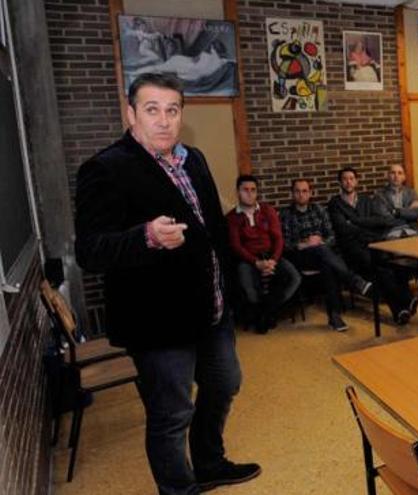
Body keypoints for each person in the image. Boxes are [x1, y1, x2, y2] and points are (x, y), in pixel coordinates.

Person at [74, 73, 260, 494]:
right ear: (131, 113)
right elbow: (90, 250)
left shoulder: (193, 158)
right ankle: (178, 489)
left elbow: (211, 229)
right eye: (152, 109)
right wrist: (145, 237)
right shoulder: (105, 169)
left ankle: (209, 463)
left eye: (172, 110)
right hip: (158, 324)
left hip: (211, 310)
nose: (163, 120)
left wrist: (230, 291)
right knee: (171, 413)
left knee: (224, 383)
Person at [280, 179, 373, 331]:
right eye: (297, 191)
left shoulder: (318, 209)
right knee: (324, 255)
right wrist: (304, 244)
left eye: (304, 191)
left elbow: (331, 236)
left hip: (322, 253)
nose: (301, 194)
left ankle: (334, 317)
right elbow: (285, 244)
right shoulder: (285, 214)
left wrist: (320, 241)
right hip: (300, 256)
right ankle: (354, 281)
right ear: (292, 194)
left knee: (327, 264)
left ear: (310, 193)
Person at [327, 167, 416, 325]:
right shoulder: (335, 204)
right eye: (345, 179)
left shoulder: (366, 200)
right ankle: (404, 303)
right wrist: (366, 225)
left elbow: (381, 221)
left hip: (372, 242)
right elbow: (342, 229)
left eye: (351, 178)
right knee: (379, 267)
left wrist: (354, 222)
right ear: (339, 182)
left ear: (357, 181)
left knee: (391, 263)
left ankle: (402, 308)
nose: (348, 182)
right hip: (351, 247)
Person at [227, 175, 301, 333]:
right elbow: (236, 246)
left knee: (294, 277)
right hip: (248, 258)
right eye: (245, 190)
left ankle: (267, 310)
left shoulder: (268, 210)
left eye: (253, 190)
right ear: (238, 192)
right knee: (248, 286)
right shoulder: (232, 217)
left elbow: (278, 238)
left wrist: (273, 260)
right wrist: (256, 263)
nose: (249, 193)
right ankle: (266, 312)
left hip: (271, 255)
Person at [373, 164, 418, 238]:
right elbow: (385, 219)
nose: (396, 176)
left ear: (404, 177)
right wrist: (408, 212)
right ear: (388, 176)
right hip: (391, 233)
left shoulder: (411, 193)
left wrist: (396, 212)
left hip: (412, 231)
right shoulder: (380, 195)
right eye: (393, 173)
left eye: (400, 173)